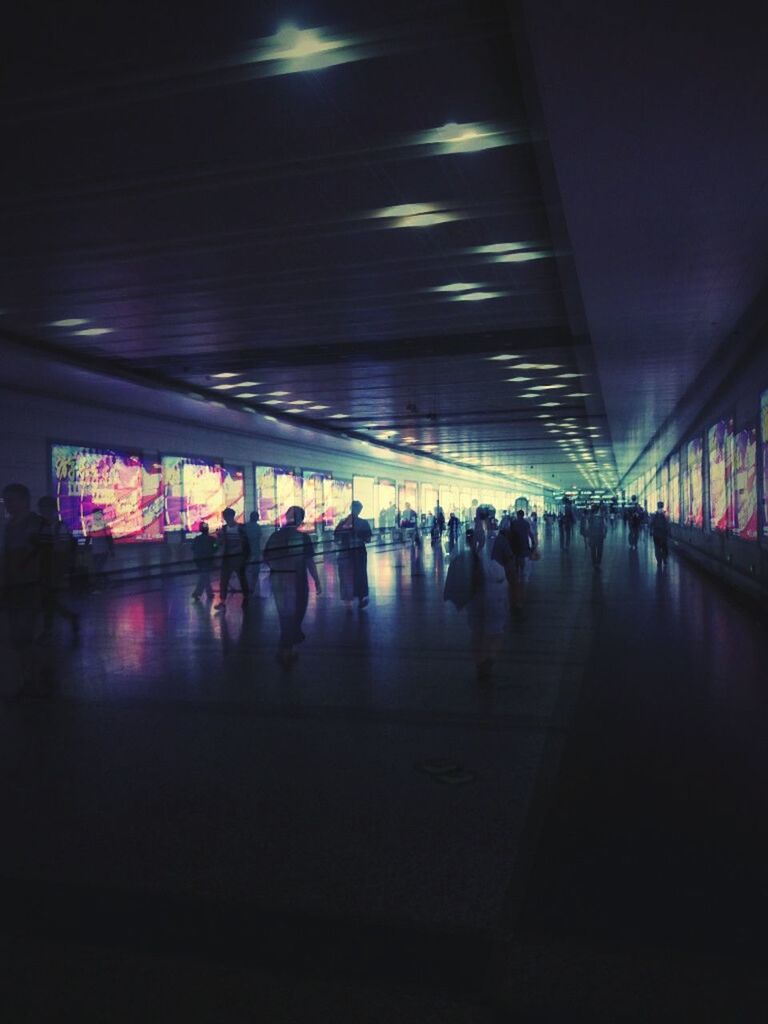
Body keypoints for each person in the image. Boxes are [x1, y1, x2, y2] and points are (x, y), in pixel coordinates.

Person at [2, 483, 46, 695]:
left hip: (30, 585)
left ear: (24, 500)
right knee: (17, 635)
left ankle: (32, 677)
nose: (8, 505)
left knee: (24, 633)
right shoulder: (9, 526)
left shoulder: (35, 524)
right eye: (6, 500)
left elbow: (43, 555)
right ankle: (27, 677)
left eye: (11, 500)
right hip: (14, 586)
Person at [263, 506, 322, 664]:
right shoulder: (303, 538)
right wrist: (316, 580)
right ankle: (287, 648)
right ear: (301, 520)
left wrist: (277, 569)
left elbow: (267, 557)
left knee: (285, 615)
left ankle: (288, 645)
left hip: (279, 580)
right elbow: (309, 561)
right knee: (296, 613)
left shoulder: (275, 536)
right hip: (297, 580)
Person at [37, 495, 79, 637]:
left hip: (54, 568)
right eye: (42, 510)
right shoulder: (43, 526)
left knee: (48, 600)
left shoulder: (60, 527)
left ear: (54, 510)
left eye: (47, 509)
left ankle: (49, 628)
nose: (44, 513)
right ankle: (70, 618)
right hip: (46, 566)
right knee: (48, 600)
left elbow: (63, 549)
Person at [334, 500, 372, 609]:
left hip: (345, 553)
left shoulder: (342, 522)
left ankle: (348, 602)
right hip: (359, 553)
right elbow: (368, 539)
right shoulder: (363, 523)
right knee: (360, 574)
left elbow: (336, 538)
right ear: (359, 510)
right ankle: (361, 597)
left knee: (346, 576)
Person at [215, 507, 250, 611]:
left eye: (227, 517)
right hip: (228, 558)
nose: (226, 519)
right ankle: (222, 601)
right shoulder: (224, 529)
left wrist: (246, 556)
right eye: (225, 517)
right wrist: (219, 537)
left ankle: (246, 597)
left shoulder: (241, 528)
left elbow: (246, 543)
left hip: (238, 557)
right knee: (224, 580)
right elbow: (219, 543)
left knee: (242, 578)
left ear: (232, 516)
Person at [505, 509, 537, 616]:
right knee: (522, 563)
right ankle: (521, 581)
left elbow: (509, 535)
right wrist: (533, 544)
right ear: (523, 515)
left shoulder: (513, 523)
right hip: (524, 547)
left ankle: (516, 579)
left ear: (517, 515)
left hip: (515, 547)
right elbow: (530, 534)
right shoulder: (526, 523)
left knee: (515, 564)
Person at [86, 507, 114, 590]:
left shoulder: (103, 525)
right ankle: (104, 583)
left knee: (98, 568)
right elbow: (88, 537)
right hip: (98, 550)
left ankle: (101, 584)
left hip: (101, 550)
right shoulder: (92, 525)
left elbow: (109, 538)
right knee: (99, 568)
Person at [191, 521, 216, 600]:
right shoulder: (212, 539)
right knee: (205, 576)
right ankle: (199, 593)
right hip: (208, 560)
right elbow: (215, 547)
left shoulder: (197, 539)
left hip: (198, 561)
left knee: (204, 576)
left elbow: (192, 548)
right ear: (208, 529)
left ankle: (206, 593)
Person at [243, 510, 263, 596]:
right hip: (255, 551)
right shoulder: (258, 527)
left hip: (247, 551)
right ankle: (253, 587)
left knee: (247, 570)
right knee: (255, 570)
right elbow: (259, 537)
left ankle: (247, 587)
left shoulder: (245, 527)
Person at [586, 503, 607, 569]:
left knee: (593, 550)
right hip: (600, 536)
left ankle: (594, 562)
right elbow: (605, 526)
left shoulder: (590, 518)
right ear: (598, 510)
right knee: (600, 549)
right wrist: (604, 534)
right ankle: (598, 563)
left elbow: (587, 528)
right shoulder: (602, 517)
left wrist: (588, 537)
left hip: (592, 536)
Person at [649, 501, 670, 567]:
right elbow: (667, 525)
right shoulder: (665, 515)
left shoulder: (655, 515)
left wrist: (651, 531)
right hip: (663, 535)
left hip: (656, 535)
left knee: (657, 548)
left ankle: (659, 561)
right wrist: (669, 533)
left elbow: (651, 523)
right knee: (664, 547)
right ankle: (664, 560)